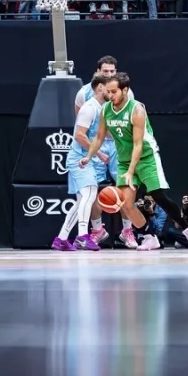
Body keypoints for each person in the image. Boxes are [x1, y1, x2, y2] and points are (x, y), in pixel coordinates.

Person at [80, 72, 188, 251]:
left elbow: (138, 144)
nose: (110, 95)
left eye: (114, 92)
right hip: (124, 160)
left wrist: (131, 171)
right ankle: (149, 236)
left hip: (146, 157)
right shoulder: (106, 109)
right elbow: (99, 137)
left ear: (125, 90)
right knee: (126, 204)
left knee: (159, 197)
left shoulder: (136, 110)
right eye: (108, 92)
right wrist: (88, 156)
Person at [73, 55, 135, 245]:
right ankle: (97, 229)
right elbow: (80, 123)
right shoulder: (84, 93)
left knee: (125, 186)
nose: (108, 74)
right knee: (91, 188)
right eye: (105, 71)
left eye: (112, 71)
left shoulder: (126, 92)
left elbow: (131, 120)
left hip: (118, 144)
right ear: (98, 72)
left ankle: (127, 230)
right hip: (95, 144)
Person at [52, 73, 109, 251]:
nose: (112, 92)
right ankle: (82, 236)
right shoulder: (89, 108)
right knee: (90, 194)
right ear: (100, 87)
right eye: (109, 88)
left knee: (81, 203)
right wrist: (99, 153)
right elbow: (79, 135)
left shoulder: (101, 108)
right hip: (80, 159)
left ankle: (61, 239)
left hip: (85, 159)